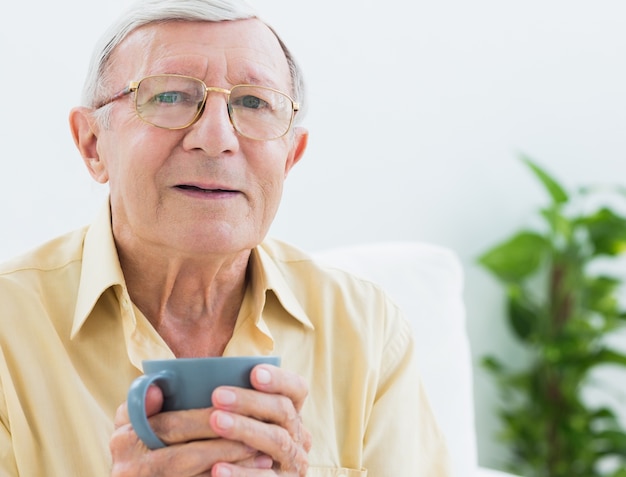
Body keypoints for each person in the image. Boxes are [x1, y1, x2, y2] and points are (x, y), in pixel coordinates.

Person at [0, 0, 450, 475]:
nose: (216, 138)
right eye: (170, 96)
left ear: (290, 156)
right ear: (93, 145)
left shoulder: (368, 329)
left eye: (254, 102)